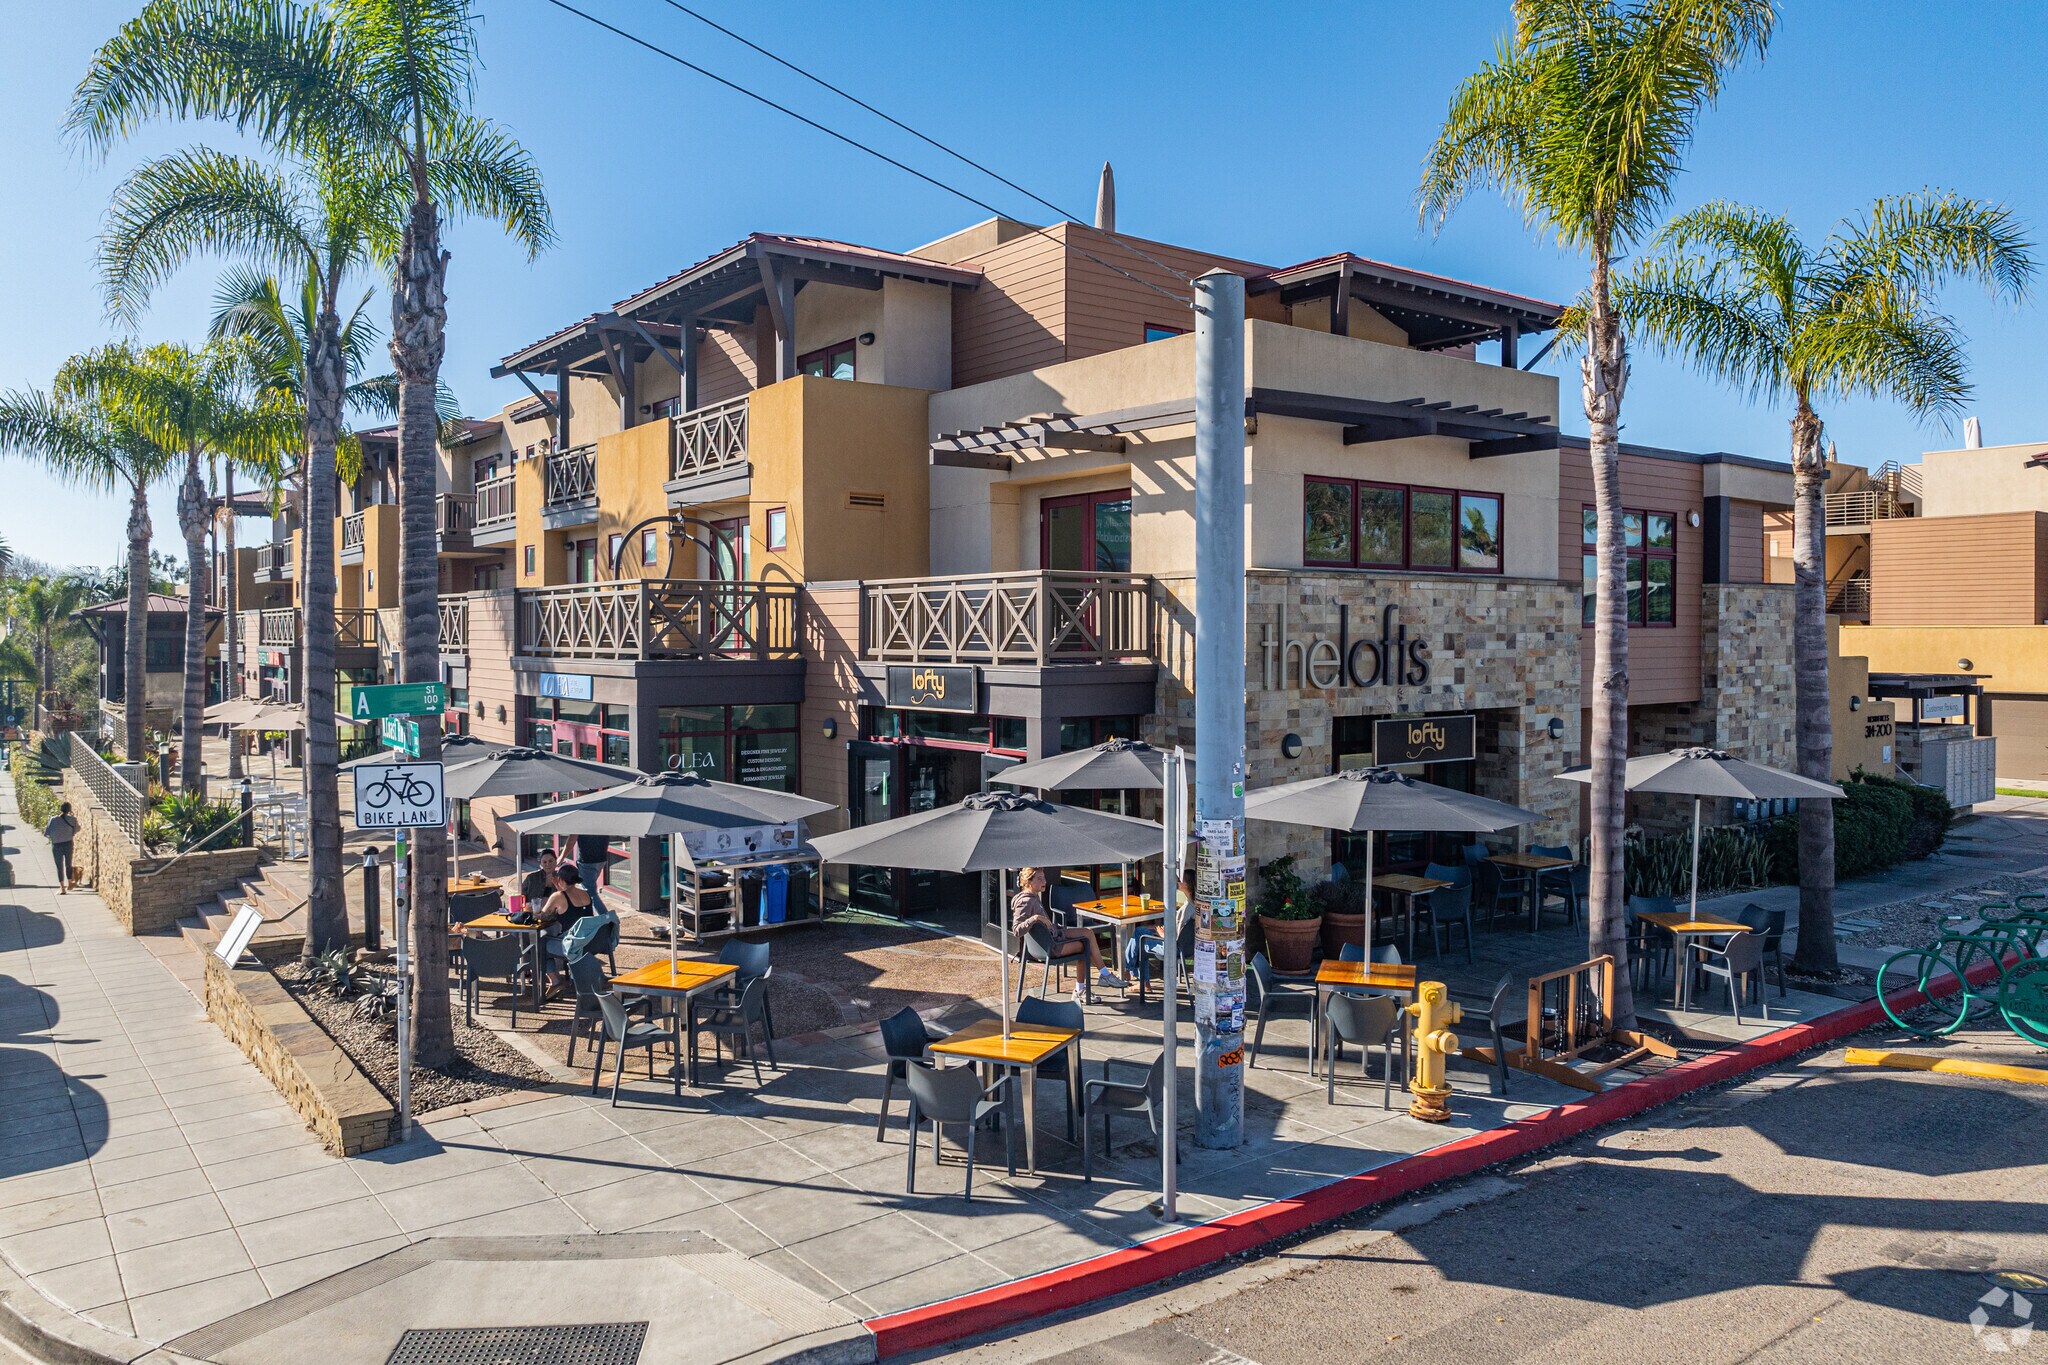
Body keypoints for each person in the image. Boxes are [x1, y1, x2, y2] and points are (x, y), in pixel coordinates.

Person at [1012, 866, 1124, 997]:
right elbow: (1016, 930)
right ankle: (1082, 989)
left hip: (1055, 935)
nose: (1044, 882)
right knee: (1085, 946)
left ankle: (1103, 975)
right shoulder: (1025, 902)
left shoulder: (1033, 897)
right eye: (1040, 879)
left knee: (1088, 933)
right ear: (1029, 882)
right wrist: (1035, 918)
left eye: (1044, 878)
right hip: (1051, 946)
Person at [536, 863, 595, 998]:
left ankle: (555, 981)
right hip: (588, 940)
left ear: (561, 880)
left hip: (570, 944)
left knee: (539, 945)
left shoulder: (558, 896)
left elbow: (541, 916)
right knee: (547, 939)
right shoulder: (585, 894)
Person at [1126, 868, 1195, 982]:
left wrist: (1162, 934)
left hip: (1173, 947)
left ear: (1187, 884)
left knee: (1140, 941)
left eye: (1180, 880)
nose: (1177, 881)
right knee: (1140, 931)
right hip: (1186, 948)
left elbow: (1177, 936)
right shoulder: (1193, 903)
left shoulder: (1188, 908)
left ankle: (1137, 977)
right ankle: (1129, 971)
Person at [45, 802, 79, 894]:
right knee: (68, 864)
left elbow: (47, 833)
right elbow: (76, 830)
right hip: (68, 843)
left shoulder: (53, 819)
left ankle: (62, 887)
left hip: (56, 845)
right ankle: (69, 883)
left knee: (59, 866)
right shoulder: (73, 819)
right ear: (70, 810)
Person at [513, 847, 557, 914]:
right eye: (544, 862)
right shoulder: (531, 878)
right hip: (533, 913)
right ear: (541, 864)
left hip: (554, 914)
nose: (548, 864)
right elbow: (521, 896)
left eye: (550, 861)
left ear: (556, 861)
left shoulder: (562, 878)